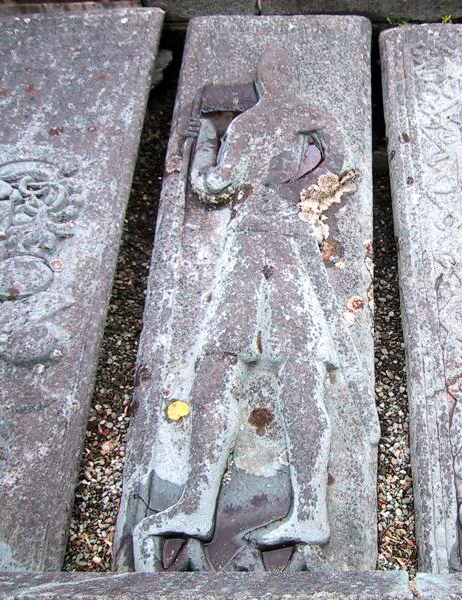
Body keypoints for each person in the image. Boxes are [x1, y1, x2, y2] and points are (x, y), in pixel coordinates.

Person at [133, 46, 347, 572]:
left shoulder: (254, 122)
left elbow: (215, 185)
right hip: (295, 245)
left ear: (259, 82)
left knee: (219, 366)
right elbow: (340, 164)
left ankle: (199, 499)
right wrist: (297, 185)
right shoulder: (312, 117)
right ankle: (309, 510)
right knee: (301, 369)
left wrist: (205, 141)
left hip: (253, 246)